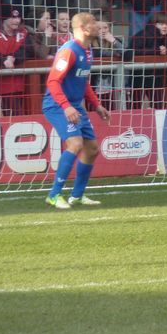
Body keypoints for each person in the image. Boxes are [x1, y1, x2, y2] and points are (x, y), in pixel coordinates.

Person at [42, 12, 110, 209]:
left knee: (92, 149)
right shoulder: (68, 51)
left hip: (74, 105)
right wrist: (66, 106)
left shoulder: (88, 50)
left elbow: (83, 81)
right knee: (75, 143)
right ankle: (54, 195)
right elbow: (53, 82)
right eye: (94, 23)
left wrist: (96, 105)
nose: (98, 26)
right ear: (84, 28)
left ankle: (77, 195)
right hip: (57, 105)